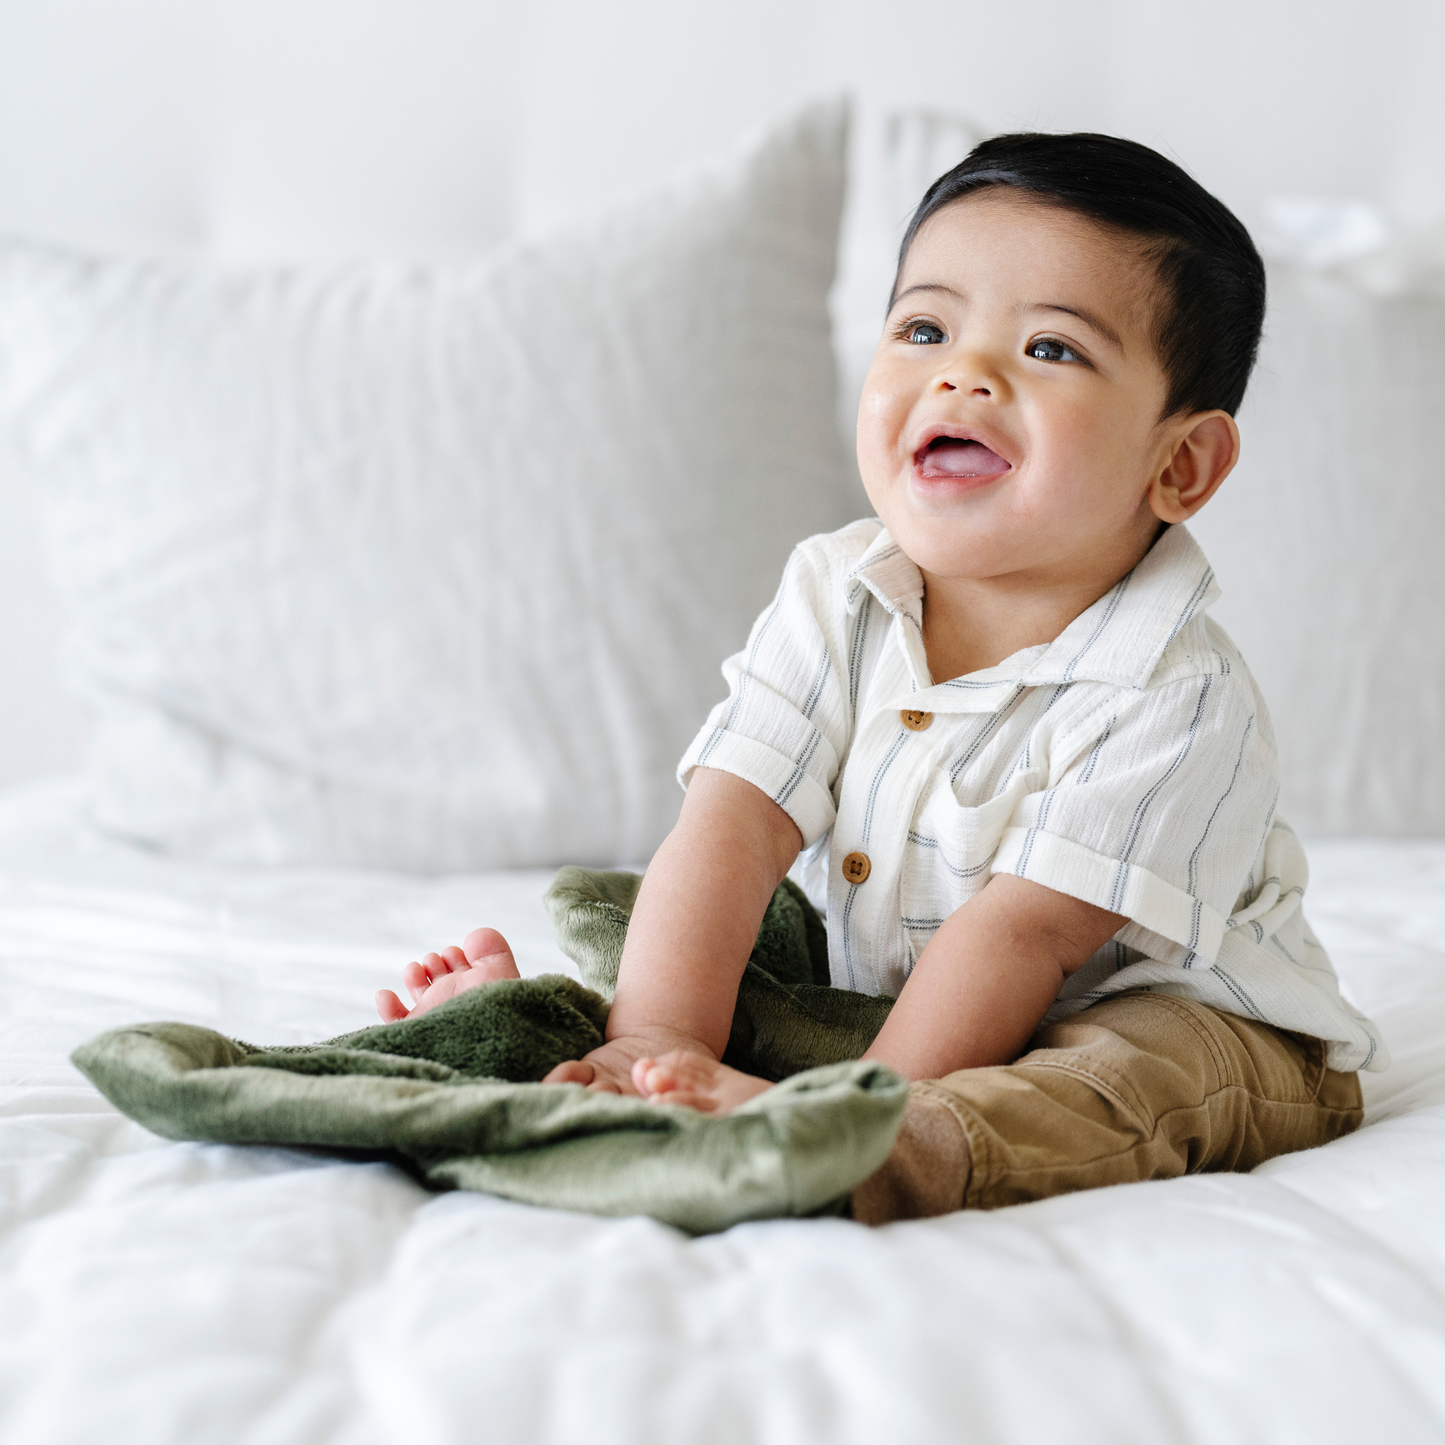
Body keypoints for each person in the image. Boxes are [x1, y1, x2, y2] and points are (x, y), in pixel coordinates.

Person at [374, 133, 1385, 1222]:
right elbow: (732, 821)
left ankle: (867, 1142)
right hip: (902, 990)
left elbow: (1019, 936)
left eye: (1048, 348)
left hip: (1175, 1018)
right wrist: (653, 1038)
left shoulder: (1174, 693)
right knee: (710, 942)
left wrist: (862, 1102)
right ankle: (584, 1050)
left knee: (1115, 1078)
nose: (964, 372)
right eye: (924, 328)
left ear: (1177, 463)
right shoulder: (838, 589)